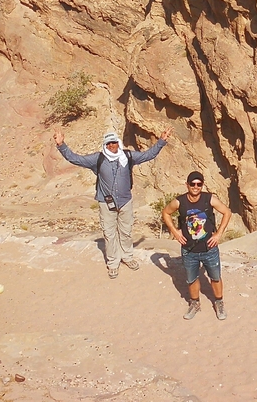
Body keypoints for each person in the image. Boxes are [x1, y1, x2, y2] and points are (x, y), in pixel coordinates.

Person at [54, 126, 172, 278]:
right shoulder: (98, 158)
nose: (111, 146)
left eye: (114, 143)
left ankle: (127, 257)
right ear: (105, 145)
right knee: (109, 235)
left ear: (118, 143)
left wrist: (161, 141)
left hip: (125, 201)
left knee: (126, 232)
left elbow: (148, 155)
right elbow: (76, 158)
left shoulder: (128, 156)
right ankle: (113, 263)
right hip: (105, 203)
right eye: (108, 143)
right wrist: (61, 145)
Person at [161, 171, 232, 320]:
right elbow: (166, 213)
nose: (196, 187)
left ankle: (219, 303)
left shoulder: (209, 199)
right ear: (187, 185)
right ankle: (195, 304)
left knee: (215, 277)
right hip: (189, 249)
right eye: (192, 184)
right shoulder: (180, 201)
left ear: (202, 185)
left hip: (209, 248)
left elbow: (227, 212)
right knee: (191, 278)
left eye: (199, 184)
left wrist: (218, 234)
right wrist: (175, 231)